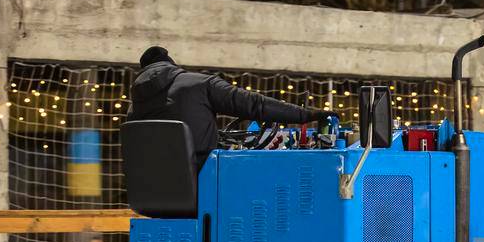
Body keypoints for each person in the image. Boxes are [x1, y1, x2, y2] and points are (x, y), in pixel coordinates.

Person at [126, 46, 331, 168]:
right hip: (203, 185)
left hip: (150, 197)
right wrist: (307, 115)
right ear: (171, 65)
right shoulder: (198, 84)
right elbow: (255, 105)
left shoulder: (133, 109)